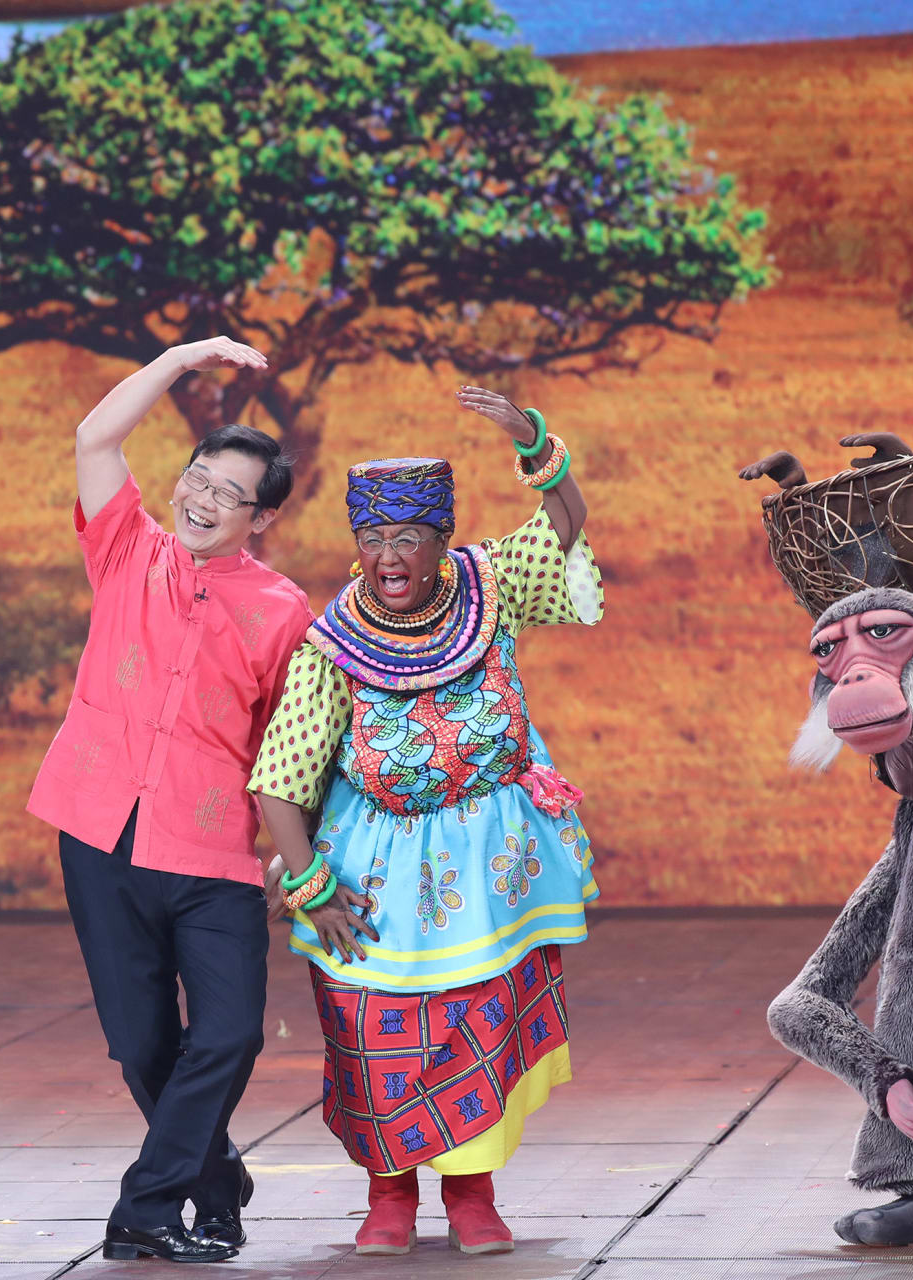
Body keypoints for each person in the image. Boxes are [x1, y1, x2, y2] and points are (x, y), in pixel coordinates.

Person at [248, 387, 604, 1256]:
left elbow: (563, 523)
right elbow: (280, 781)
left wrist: (537, 446)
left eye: (407, 538)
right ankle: (390, 1195)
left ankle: (473, 1195)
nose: (387, 557)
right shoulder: (333, 642)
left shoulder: (491, 583)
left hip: (491, 868)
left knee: (479, 1020)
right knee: (375, 1033)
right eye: (371, 540)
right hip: (370, 874)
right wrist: (308, 884)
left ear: (443, 540)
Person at [28, 337, 314, 1263]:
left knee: (227, 1035)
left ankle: (144, 1210)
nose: (204, 500)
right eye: (199, 478)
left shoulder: (284, 611)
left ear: (261, 518)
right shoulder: (125, 549)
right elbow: (94, 436)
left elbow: (294, 746)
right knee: (142, 1047)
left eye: (232, 495)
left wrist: (288, 855)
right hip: (99, 833)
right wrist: (183, 357)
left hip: (213, 851)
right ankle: (214, 1182)